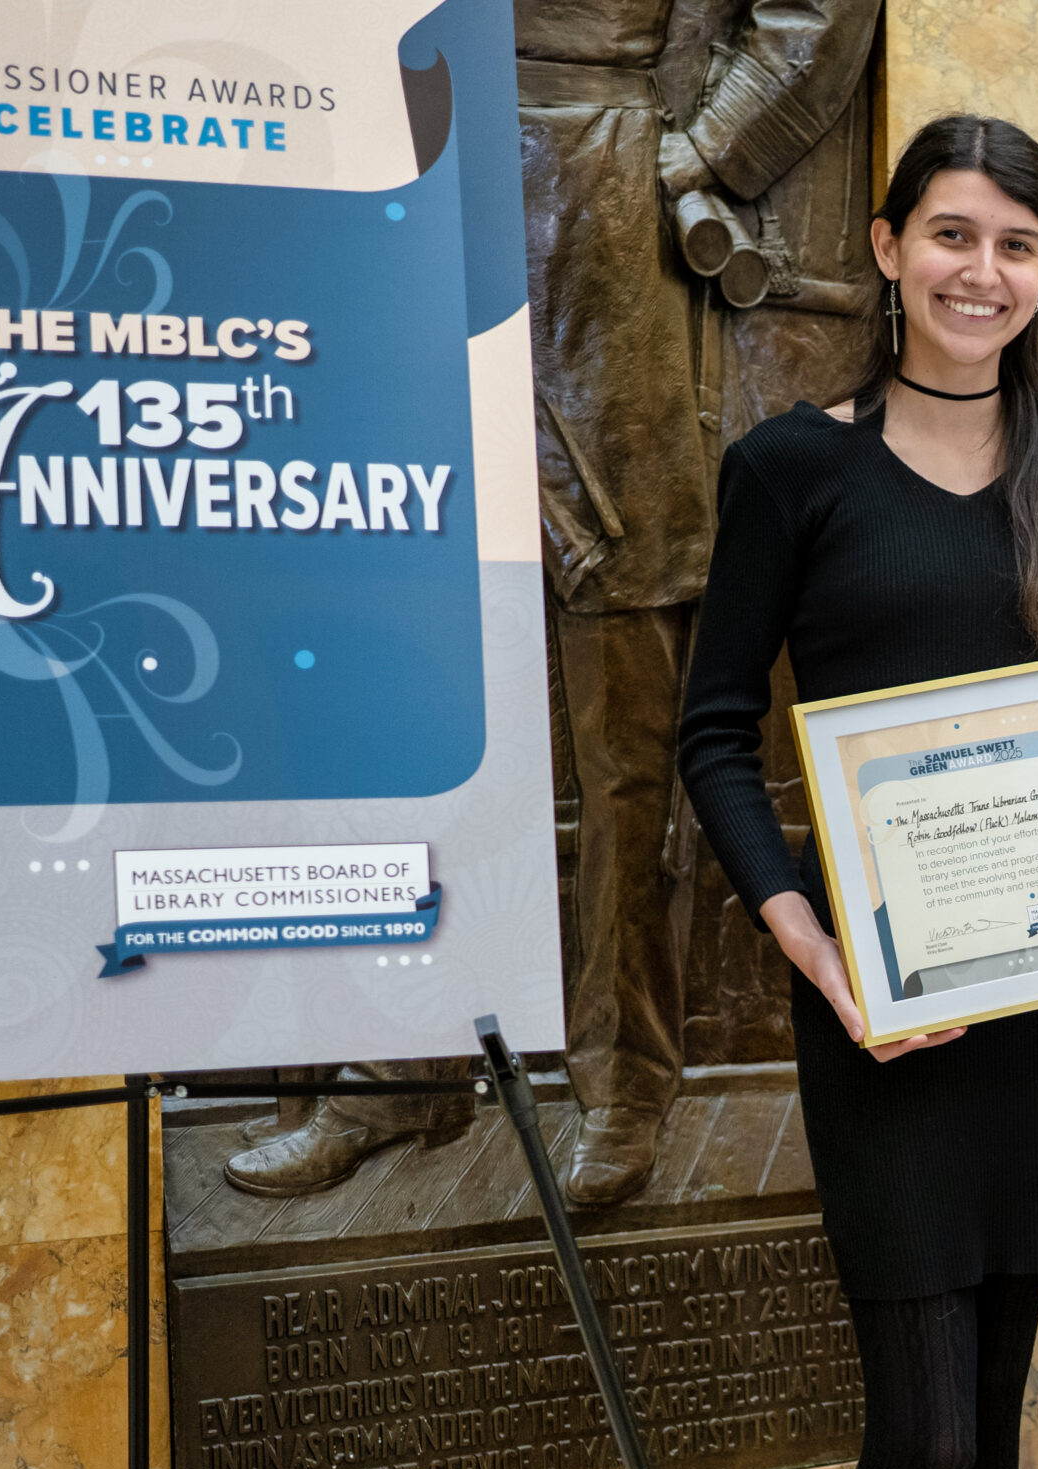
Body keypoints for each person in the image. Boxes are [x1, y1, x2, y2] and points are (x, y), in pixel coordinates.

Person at [677, 115, 1038, 1469]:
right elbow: (717, 732)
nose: (980, 273)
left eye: (1016, 245)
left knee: (1001, 1408)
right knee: (928, 1431)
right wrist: (813, 944)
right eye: (950, 235)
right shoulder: (791, 468)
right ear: (886, 250)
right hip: (876, 1008)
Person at [221, 0, 882, 1205]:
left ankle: (624, 1084)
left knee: (623, 692)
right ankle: (395, 1066)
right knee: (384, 644)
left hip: (596, 193)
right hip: (370, 150)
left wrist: (692, 151)